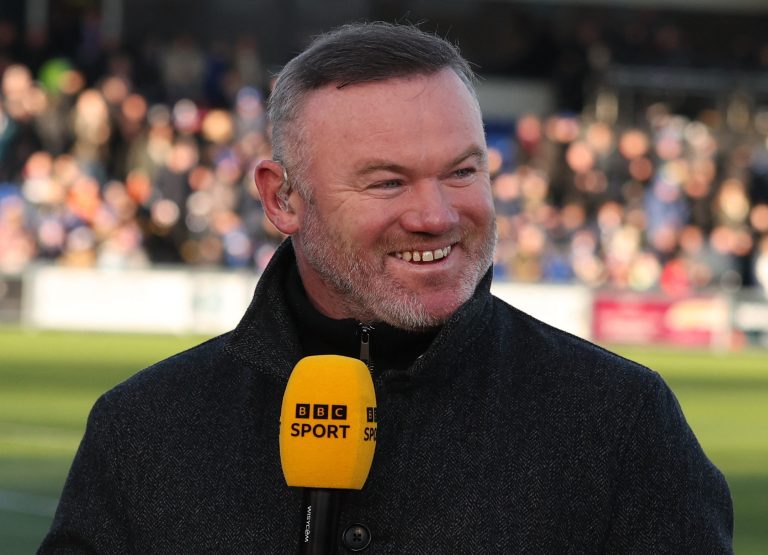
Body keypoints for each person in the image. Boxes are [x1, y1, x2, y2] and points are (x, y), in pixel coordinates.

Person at [40, 22, 733, 553]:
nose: (435, 213)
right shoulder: (143, 431)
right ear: (282, 197)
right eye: (388, 181)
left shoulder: (621, 423)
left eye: (462, 171)